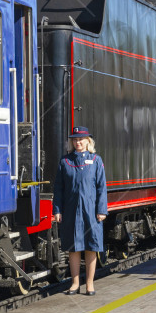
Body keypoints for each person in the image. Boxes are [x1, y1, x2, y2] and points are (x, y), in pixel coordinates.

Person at [53, 126, 108, 296]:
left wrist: (102, 210)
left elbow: (101, 187)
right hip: (70, 210)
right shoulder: (65, 162)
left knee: (91, 246)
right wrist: (57, 210)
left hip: (91, 211)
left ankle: (90, 283)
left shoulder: (96, 160)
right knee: (73, 247)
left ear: (88, 141)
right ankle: (75, 283)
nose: (78, 142)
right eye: (75, 139)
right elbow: (59, 189)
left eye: (81, 139)